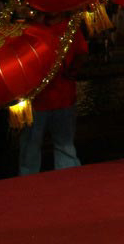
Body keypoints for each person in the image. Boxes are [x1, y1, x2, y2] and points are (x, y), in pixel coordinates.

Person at [20, 17, 87, 174]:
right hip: (39, 99)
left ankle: (67, 178)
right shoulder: (31, 29)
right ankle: (27, 180)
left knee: (62, 144)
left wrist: (72, 71)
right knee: (33, 145)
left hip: (62, 97)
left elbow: (81, 54)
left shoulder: (70, 28)